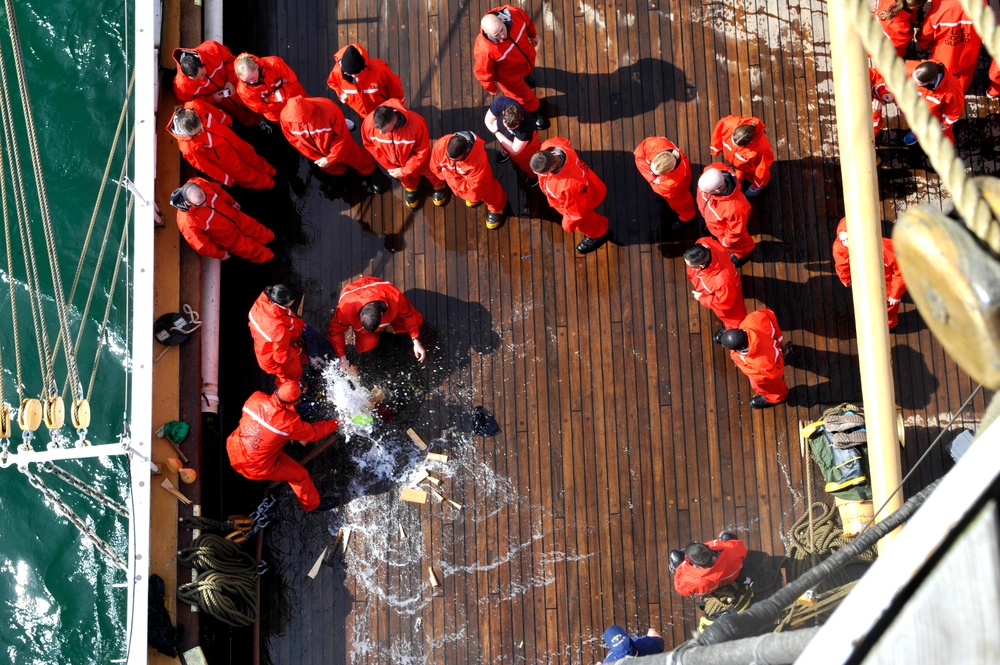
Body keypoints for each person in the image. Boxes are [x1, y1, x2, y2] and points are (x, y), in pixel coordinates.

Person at [225, 383, 339, 513]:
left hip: (236, 449)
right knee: (300, 475)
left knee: (270, 440)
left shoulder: (256, 398)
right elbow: (314, 433)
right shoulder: (287, 423)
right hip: (257, 466)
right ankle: (312, 505)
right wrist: (337, 421)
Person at [279, 96, 386, 193]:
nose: (300, 124)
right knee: (329, 167)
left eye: (302, 120)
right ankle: (339, 173)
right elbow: (295, 141)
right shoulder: (285, 118)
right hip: (317, 152)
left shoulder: (328, 109)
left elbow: (341, 136)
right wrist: (316, 157)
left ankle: (371, 171)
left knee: (356, 157)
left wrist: (331, 158)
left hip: (339, 146)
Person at [166, 101, 276, 190]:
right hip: (226, 161)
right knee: (246, 175)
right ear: (188, 133)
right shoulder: (188, 148)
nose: (202, 131)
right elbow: (206, 167)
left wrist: (227, 119)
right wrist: (225, 179)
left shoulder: (195, 105)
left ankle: (271, 171)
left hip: (232, 140)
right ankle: (269, 185)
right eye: (197, 132)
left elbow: (214, 112)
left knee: (251, 155)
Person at [530, 137, 611, 254]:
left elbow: (575, 211)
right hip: (590, 183)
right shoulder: (554, 145)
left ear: (551, 168)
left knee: (586, 221)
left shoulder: (568, 186)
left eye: (541, 173)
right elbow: (565, 141)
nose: (537, 175)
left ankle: (599, 234)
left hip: (584, 199)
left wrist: (567, 225)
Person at [362, 100, 448, 209]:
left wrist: (405, 170)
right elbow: (370, 146)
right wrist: (390, 165)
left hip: (420, 160)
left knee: (431, 172)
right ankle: (411, 188)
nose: (381, 133)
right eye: (378, 129)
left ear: (394, 119)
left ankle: (438, 185)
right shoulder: (369, 123)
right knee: (405, 179)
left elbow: (421, 150)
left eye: (385, 130)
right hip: (394, 165)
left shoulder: (416, 124)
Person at [474, 5, 549, 129]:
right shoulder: (485, 50)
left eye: (502, 30)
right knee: (523, 98)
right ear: (486, 32)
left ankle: (525, 78)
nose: (502, 36)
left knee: (527, 73)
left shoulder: (515, 13)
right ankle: (535, 111)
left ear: (502, 20)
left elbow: (527, 21)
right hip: (509, 77)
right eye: (496, 35)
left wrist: (533, 35)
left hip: (525, 61)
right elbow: (482, 72)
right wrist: (491, 88)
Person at [327, 276, 426, 367]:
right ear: (360, 315)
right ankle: (374, 336)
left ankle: (394, 329)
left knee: (416, 321)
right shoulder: (344, 310)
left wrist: (416, 340)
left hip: (382, 295)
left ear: (382, 315)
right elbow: (335, 332)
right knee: (366, 344)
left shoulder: (395, 297)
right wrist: (342, 357)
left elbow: (409, 315)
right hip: (356, 294)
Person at [168, 178, 274, 263]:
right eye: (200, 204)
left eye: (205, 199)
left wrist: (231, 202)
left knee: (255, 227)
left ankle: (271, 238)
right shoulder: (186, 222)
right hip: (228, 238)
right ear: (188, 203)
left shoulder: (200, 183)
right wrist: (219, 254)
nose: (205, 204)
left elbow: (218, 191)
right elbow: (202, 245)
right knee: (250, 250)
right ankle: (270, 257)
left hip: (234, 216)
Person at [832, 218, 907, 329]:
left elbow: (902, 271)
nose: (846, 243)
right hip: (863, 282)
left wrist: (895, 294)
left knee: (889, 306)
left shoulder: (886, 248)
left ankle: (889, 326)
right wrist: (845, 279)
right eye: (843, 239)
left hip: (886, 284)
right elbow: (842, 265)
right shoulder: (840, 247)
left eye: (849, 239)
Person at [430, 132, 508, 229]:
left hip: (479, 183)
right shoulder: (440, 144)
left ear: (466, 151)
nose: (450, 160)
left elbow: (473, 186)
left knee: (490, 193)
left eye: (455, 159)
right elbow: (434, 164)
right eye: (448, 156)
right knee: (472, 196)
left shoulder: (478, 159)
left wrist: (449, 177)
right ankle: (473, 199)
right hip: (460, 183)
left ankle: (496, 208)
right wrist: (445, 176)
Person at [172, 40, 260, 126]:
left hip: (243, 89)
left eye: (203, 74)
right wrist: (212, 99)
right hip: (226, 107)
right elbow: (189, 106)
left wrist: (230, 81)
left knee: (259, 101)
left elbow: (231, 60)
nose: (203, 79)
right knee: (244, 118)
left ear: (201, 62)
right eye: (197, 79)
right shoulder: (181, 85)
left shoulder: (212, 48)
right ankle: (259, 124)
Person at [720, 309, 789, 408]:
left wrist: (779, 361)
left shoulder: (759, 365)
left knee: (769, 387)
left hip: (766, 369)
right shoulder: (753, 320)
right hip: (771, 350)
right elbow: (768, 314)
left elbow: (773, 375)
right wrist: (778, 340)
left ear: (739, 348)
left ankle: (778, 397)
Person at [684, 239, 747, 341]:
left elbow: (725, 303)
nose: (688, 266)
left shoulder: (721, 282)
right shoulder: (705, 242)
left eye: (691, 266)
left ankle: (733, 331)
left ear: (701, 266)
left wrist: (702, 298)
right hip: (728, 283)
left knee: (734, 317)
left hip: (726, 295)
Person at [916, 0, 983, 93]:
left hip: (945, 55)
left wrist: (923, 45)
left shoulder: (941, 7)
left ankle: (943, 93)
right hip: (970, 53)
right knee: (965, 75)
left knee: (942, 74)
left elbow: (925, 33)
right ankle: (959, 92)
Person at [248, 285, 308, 387]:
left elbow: (287, 315)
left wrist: (299, 325)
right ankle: (294, 393)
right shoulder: (279, 329)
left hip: (267, 349)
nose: (289, 308)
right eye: (288, 306)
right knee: (291, 377)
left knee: (298, 360)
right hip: (276, 360)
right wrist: (297, 348)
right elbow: (281, 358)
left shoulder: (262, 303)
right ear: (277, 304)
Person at [326, 43, 405, 119]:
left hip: (384, 111)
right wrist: (342, 95)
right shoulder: (337, 73)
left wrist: (398, 108)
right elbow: (332, 83)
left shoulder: (379, 69)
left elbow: (394, 87)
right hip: (363, 115)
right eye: (350, 74)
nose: (354, 76)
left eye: (358, 73)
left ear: (363, 67)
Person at [696, 164, 754, 265]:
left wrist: (726, 242)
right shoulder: (712, 171)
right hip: (712, 222)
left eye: (706, 192)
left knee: (739, 245)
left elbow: (736, 231)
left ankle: (742, 255)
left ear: (717, 190)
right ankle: (710, 228)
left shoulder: (736, 208)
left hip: (725, 231)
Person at [633, 136, 696, 229]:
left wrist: (652, 179)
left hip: (676, 190)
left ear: (670, 170)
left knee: (682, 203)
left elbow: (661, 190)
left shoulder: (671, 182)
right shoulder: (654, 144)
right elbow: (638, 154)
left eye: (656, 173)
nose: (652, 173)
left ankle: (687, 216)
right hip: (680, 167)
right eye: (652, 169)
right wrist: (653, 178)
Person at [902, 60, 964, 145]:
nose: (913, 82)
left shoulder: (952, 87)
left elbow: (956, 107)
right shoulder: (911, 68)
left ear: (931, 81)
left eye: (917, 83)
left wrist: (946, 122)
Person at [709, 115, 774, 196]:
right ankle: (740, 172)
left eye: (737, 145)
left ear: (749, 143)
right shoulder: (729, 123)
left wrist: (756, 185)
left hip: (750, 169)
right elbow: (718, 131)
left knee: (755, 177)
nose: (732, 144)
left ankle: (756, 187)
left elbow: (763, 169)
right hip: (737, 162)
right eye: (732, 140)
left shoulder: (762, 149)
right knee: (739, 168)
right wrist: (716, 148)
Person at [234, 52, 307, 124]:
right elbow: (261, 108)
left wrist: (270, 99)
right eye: (246, 80)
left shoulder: (273, 64)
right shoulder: (243, 90)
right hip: (279, 115)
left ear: (256, 66)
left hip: (297, 99)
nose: (251, 82)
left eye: (252, 77)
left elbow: (292, 83)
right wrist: (282, 89)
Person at [671, 533, 749, 597]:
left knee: (675, 556)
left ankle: (678, 565)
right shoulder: (733, 550)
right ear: (708, 547)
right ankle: (725, 540)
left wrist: (681, 566)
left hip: (710, 587)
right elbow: (741, 548)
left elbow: (680, 588)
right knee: (727, 538)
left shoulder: (694, 582)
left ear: (697, 566)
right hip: (732, 574)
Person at [484, 96, 539, 184]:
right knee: (506, 147)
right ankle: (506, 152)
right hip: (506, 140)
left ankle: (534, 176)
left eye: (512, 127)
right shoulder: (500, 103)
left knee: (528, 163)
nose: (508, 129)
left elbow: (515, 150)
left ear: (521, 120)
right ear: (503, 112)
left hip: (525, 148)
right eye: (506, 125)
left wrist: (496, 132)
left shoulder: (526, 128)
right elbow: (487, 121)